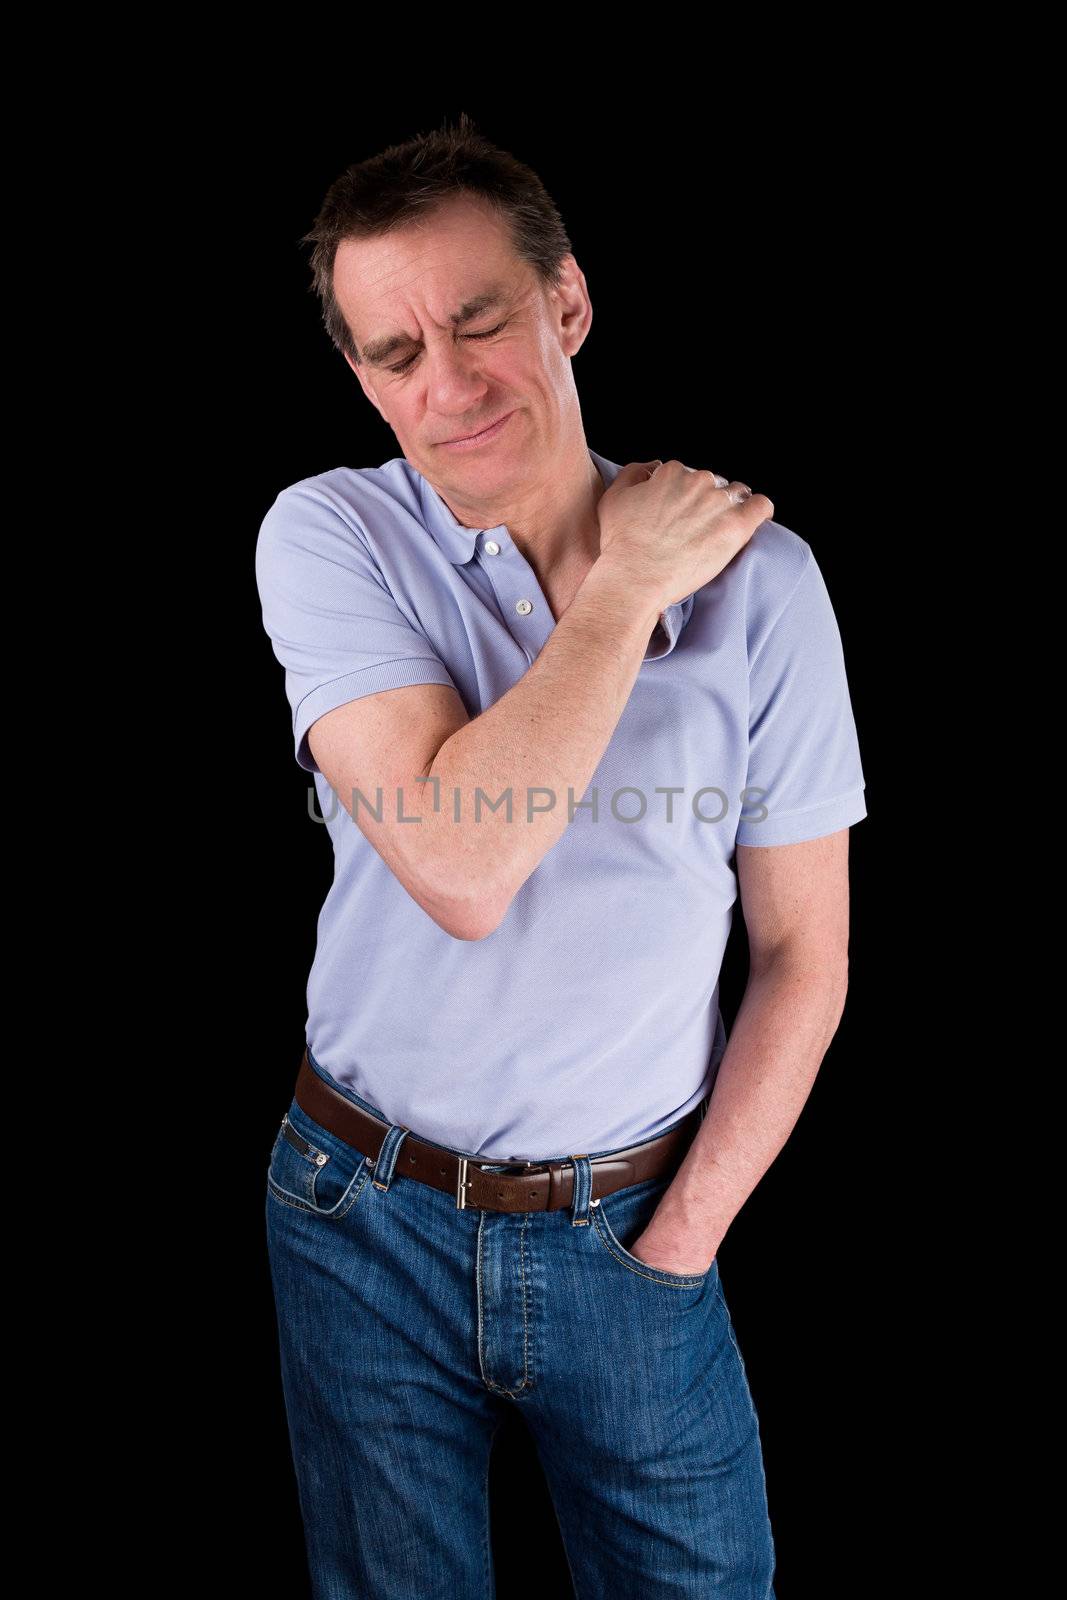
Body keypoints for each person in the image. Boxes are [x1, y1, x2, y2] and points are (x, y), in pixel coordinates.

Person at [255, 113, 866, 1600]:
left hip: (633, 1226)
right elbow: (463, 871)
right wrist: (627, 583)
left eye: (481, 324)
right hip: (362, 1218)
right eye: (395, 355)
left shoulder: (768, 588)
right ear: (358, 376)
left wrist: (682, 1245)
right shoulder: (327, 536)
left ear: (568, 304)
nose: (448, 385)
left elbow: (804, 956)